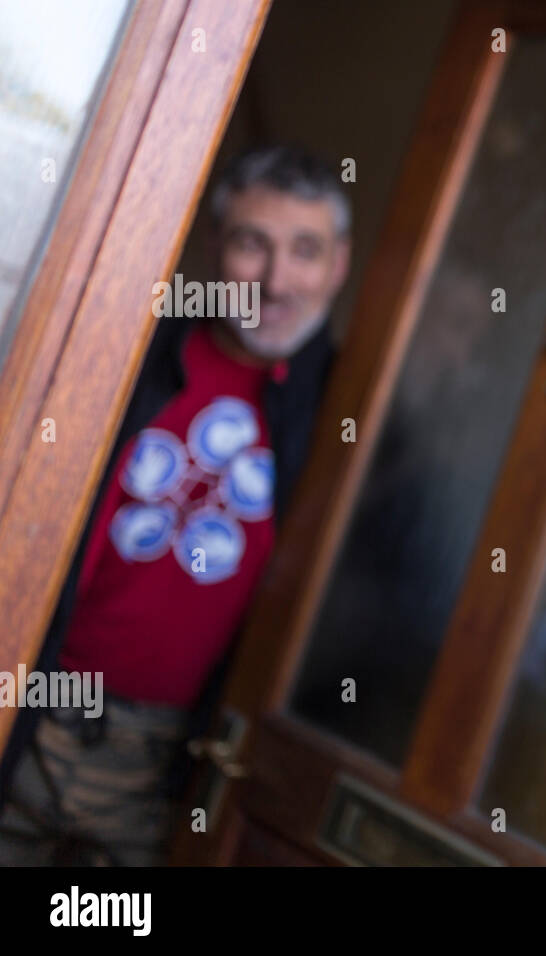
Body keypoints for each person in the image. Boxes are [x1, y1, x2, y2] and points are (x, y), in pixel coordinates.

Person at [0, 145, 350, 865]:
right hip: (36, 715)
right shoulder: (129, 353)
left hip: (182, 764)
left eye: (306, 251)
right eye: (254, 243)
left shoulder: (348, 408)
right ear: (213, 246)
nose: (276, 280)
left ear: (339, 265)